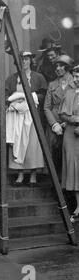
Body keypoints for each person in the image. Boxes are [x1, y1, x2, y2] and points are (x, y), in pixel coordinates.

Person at [5, 51, 47, 186]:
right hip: (17, 116)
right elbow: (5, 96)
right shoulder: (11, 79)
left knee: (32, 144)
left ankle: (33, 175)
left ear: (30, 61)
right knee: (17, 142)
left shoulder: (38, 77)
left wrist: (29, 101)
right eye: (21, 60)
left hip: (32, 116)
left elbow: (43, 95)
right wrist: (15, 104)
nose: (23, 62)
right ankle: (20, 174)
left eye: (26, 59)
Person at [43, 55, 75, 180]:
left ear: (67, 67)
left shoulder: (75, 82)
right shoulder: (52, 84)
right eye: (56, 66)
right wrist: (54, 124)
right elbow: (46, 107)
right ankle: (56, 187)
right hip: (54, 124)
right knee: (53, 157)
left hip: (70, 124)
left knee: (69, 158)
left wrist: (68, 122)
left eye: (61, 65)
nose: (58, 68)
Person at [58, 64, 79, 215]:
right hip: (71, 134)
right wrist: (76, 119)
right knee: (73, 168)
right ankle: (77, 206)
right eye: (75, 76)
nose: (76, 79)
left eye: (78, 76)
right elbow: (62, 114)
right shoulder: (70, 91)